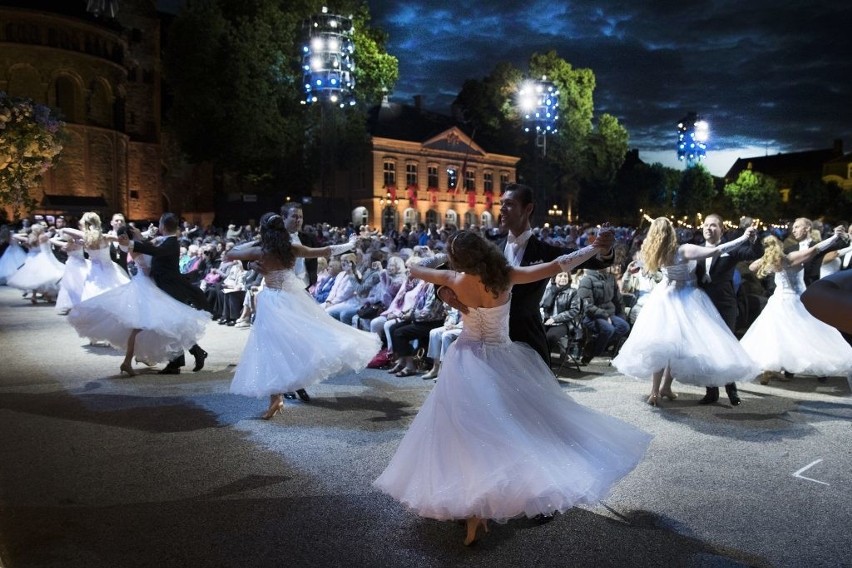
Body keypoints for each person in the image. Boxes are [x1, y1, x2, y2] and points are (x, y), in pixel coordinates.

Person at [374, 229, 649, 546]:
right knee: (507, 429)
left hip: (466, 360)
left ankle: (473, 509)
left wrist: (441, 273)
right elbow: (558, 265)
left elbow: (416, 267)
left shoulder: (456, 280)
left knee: (462, 433)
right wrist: (591, 248)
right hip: (505, 357)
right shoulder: (507, 276)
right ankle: (494, 500)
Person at [225, 213, 380, 419]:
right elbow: (326, 250)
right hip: (291, 296)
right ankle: (277, 397)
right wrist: (349, 243)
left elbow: (231, 253)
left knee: (272, 349)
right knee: (292, 342)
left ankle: (278, 396)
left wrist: (256, 242)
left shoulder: (259, 250)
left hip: (273, 301)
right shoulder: (292, 249)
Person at [439, 183, 614, 366]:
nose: (502, 210)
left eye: (509, 204)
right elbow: (447, 265)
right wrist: (442, 290)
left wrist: (605, 249)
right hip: (490, 341)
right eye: (502, 204)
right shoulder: (489, 248)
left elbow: (594, 261)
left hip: (528, 338)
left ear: (528, 208)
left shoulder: (545, 251)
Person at [612, 217, 760, 406]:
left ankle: (658, 390)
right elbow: (716, 250)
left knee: (664, 347)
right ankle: (661, 389)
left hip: (664, 298)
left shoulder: (656, 252)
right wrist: (742, 238)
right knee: (676, 347)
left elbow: (648, 268)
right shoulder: (682, 250)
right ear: (671, 232)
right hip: (686, 297)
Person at [67, 250, 208, 376]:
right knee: (158, 324)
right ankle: (191, 353)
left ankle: (132, 361)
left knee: (166, 323)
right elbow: (146, 267)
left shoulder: (146, 244)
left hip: (153, 288)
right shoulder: (135, 248)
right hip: (146, 288)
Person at [742, 233, 852, 382]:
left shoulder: (772, 261)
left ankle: (771, 369)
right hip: (796, 300)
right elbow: (816, 249)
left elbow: (752, 266)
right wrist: (834, 238)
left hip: (778, 301)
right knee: (809, 334)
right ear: (780, 246)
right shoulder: (792, 257)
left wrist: (766, 257)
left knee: (775, 335)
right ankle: (781, 369)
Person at [117, 213, 210, 374]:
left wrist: (134, 241)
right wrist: (136, 240)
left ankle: (188, 356)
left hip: (168, 287)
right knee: (170, 325)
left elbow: (155, 251)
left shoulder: (170, 243)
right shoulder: (164, 242)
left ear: (162, 226)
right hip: (156, 287)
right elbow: (152, 250)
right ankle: (184, 358)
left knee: (173, 325)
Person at [692, 213, 764, 405]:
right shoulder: (696, 249)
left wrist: (754, 240)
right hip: (702, 305)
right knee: (706, 348)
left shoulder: (731, 249)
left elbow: (754, 253)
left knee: (726, 346)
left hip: (725, 304)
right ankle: (711, 391)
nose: (709, 228)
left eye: (714, 225)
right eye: (706, 225)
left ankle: (731, 388)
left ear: (722, 229)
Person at [61, 212, 130, 301]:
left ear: (85, 224)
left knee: (94, 296)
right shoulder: (105, 237)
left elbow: (64, 230)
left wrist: (77, 237)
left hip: (94, 272)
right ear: (98, 223)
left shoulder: (85, 237)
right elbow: (127, 241)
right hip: (110, 270)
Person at [576, 266, 629, 364]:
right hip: (591, 315)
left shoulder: (610, 278)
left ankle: (593, 344)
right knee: (608, 329)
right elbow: (586, 305)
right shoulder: (587, 280)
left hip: (609, 314)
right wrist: (604, 315)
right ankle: (592, 353)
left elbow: (618, 300)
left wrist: (621, 315)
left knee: (624, 326)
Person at [6, 223, 64, 303]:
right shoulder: (43, 236)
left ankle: (36, 296)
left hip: (38, 258)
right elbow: (53, 239)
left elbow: (17, 237)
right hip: (46, 257)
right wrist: (54, 231)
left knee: (36, 278)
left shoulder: (32, 237)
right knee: (49, 277)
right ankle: (46, 295)